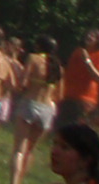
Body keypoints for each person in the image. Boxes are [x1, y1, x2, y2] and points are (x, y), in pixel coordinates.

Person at [18, 43, 65, 184]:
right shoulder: (59, 67)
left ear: (39, 46)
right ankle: (21, 178)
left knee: (19, 149)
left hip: (31, 102)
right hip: (47, 108)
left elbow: (23, 83)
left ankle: (14, 180)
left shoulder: (33, 58)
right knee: (30, 150)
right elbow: (60, 95)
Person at [61, 32, 99, 130]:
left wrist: (87, 60)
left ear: (98, 41)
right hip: (68, 96)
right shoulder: (77, 52)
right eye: (88, 35)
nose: (89, 36)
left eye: (93, 36)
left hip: (85, 100)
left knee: (77, 130)